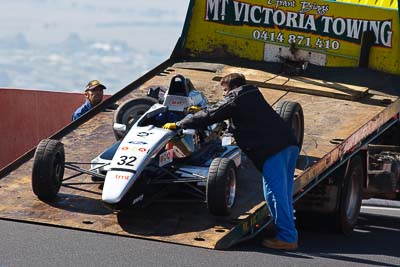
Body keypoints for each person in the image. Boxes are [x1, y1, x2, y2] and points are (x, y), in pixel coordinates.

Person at [162, 73, 300, 250]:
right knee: (283, 193)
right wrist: (203, 112)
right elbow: (228, 113)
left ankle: (287, 237)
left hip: (272, 150)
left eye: (225, 90)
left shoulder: (237, 97)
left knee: (274, 194)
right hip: (287, 144)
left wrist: (181, 124)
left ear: (232, 87)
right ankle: (287, 231)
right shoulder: (251, 94)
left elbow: (213, 113)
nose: (224, 94)